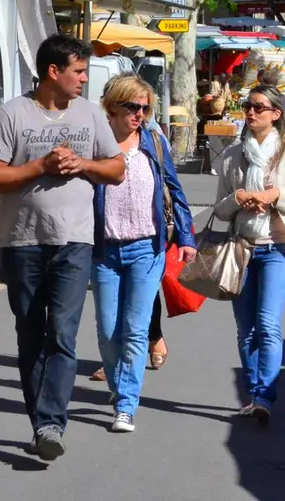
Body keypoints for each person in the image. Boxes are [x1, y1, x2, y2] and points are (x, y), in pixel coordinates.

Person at [0, 33, 126, 462]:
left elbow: (116, 168)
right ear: (53, 71)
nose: (84, 79)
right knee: (30, 335)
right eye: (78, 71)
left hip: (74, 240)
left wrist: (83, 164)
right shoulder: (12, 114)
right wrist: (40, 166)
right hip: (22, 241)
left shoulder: (90, 114)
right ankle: (41, 422)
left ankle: (50, 425)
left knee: (62, 333)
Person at [88, 75, 194, 434]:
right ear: (113, 106)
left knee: (135, 331)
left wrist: (186, 237)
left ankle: (126, 405)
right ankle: (120, 387)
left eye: (145, 108)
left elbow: (175, 191)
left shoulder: (154, 142)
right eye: (133, 106)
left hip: (147, 249)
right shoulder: (95, 143)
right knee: (108, 332)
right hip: (104, 251)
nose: (140, 114)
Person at [211, 84, 285, 424]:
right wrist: (238, 198)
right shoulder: (232, 155)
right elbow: (220, 209)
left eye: (258, 107)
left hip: (277, 250)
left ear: (275, 114)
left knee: (269, 325)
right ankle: (254, 392)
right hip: (241, 249)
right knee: (246, 330)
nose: (251, 112)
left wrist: (275, 195)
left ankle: (264, 397)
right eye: (248, 105)